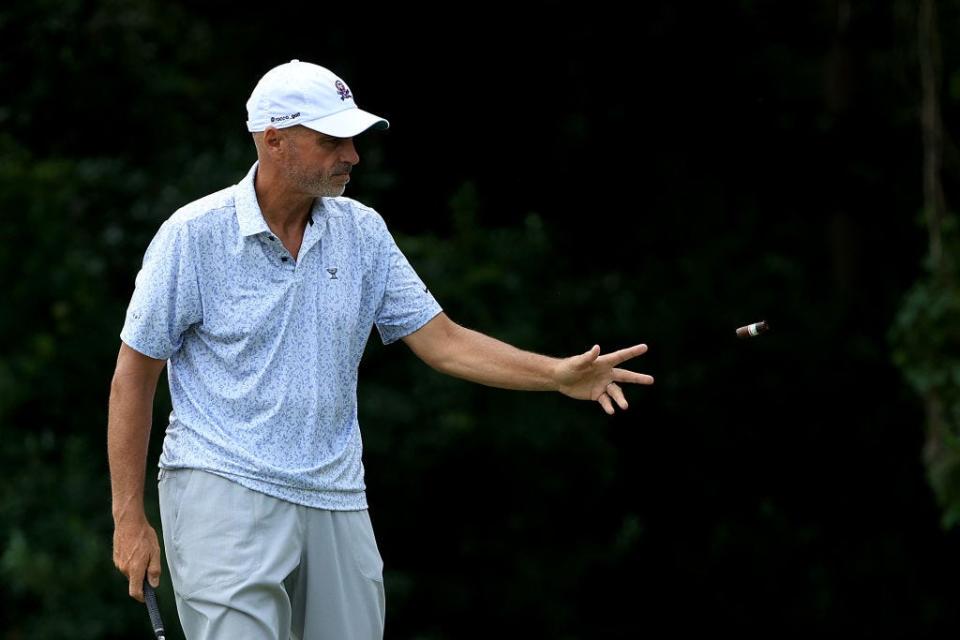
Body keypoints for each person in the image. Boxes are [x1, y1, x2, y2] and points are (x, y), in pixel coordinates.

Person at [107, 59, 654, 640]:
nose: (352, 155)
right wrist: (129, 517)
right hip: (223, 486)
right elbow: (134, 375)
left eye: (352, 140)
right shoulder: (194, 236)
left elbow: (442, 341)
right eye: (331, 141)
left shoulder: (362, 231)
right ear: (273, 140)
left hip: (337, 495)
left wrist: (555, 375)